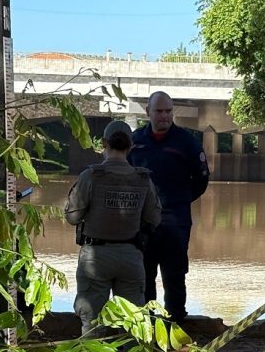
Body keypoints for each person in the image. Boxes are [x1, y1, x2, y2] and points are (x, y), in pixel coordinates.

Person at [64, 120, 161, 334]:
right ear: (131, 146)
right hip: (130, 256)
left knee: (92, 324)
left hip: (95, 257)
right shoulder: (143, 179)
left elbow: (72, 216)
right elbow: (154, 218)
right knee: (132, 324)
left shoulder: (91, 176)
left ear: (104, 143)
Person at [128, 91, 210, 319]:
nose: (164, 116)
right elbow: (124, 177)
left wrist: (179, 199)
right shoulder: (135, 142)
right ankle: (147, 328)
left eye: (168, 111)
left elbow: (201, 180)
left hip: (175, 222)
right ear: (148, 112)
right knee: (143, 277)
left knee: (174, 277)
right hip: (142, 224)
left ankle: (175, 326)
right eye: (159, 111)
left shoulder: (187, 142)